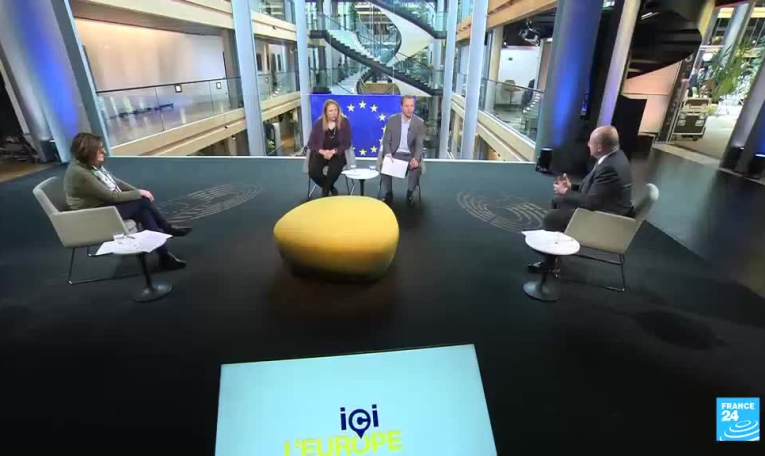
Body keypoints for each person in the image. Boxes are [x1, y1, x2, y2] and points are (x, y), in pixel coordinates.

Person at [64, 132, 190, 270]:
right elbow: (112, 197)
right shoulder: (80, 173)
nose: (104, 152)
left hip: (102, 207)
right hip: (92, 216)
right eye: (99, 149)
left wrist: (138, 191)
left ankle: (164, 256)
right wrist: (139, 194)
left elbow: (116, 182)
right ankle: (166, 229)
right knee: (142, 203)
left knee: (143, 209)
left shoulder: (89, 164)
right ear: (87, 151)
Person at [529, 126, 633, 272]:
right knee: (558, 201)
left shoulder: (610, 168)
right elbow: (599, 189)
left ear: (599, 147)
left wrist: (566, 191)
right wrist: (572, 187)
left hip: (606, 219)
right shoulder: (615, 156)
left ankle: (550, 263)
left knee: (551, 218)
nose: (588, 144)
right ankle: (554, 254)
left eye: (590, 142)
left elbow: (591, 203)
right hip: (605, 205)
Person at [380, 95, 426, 206]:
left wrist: (416, 158)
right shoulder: (393, 120)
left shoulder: (419, 122)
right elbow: (386, 141)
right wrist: (388, 154)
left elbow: (419, 144)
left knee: (416, 168)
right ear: (401, 107)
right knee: (384, 166)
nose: (410, 109)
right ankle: (388, 193)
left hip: (410, 155)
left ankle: (410, 193)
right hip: (395, 154)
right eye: (407, 106)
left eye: (412, 106)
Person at [307, 99, 352, 197]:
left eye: (335, 110)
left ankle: (325, 193)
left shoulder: (344, 122)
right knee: (313, 172)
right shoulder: (319, 123)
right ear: (325, 112)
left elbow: (347, 143)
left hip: (337, 153)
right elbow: (311, 143)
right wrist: (322, 151)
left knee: (334, 171)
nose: (334, 113)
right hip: (322, 153)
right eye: (330, 111)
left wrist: (333, 151)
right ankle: (330, 188)